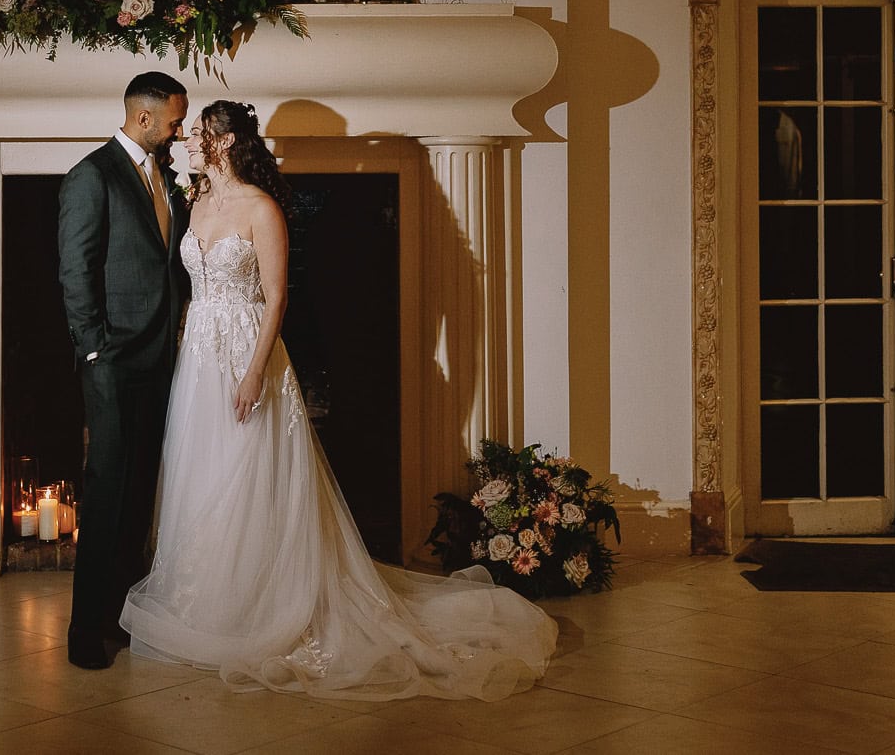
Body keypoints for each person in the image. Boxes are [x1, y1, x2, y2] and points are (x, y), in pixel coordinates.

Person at [122, 99, 559, 701]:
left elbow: (275, 299)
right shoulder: (195, 204)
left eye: (201, 132)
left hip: (249, 352)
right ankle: (208, 602)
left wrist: (252, 375)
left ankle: (264, 604)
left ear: (225, 142)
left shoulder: (262, 208)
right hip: (198, 354)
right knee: (205, 474)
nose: (191, 139)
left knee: (252, 474)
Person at [57, 70, 191, 670]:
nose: (180, 130)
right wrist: (93, 349)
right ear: (145, 119)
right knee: (107, 492)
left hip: (160, 360)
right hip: (111, 363)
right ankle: (84, 630)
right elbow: (75, 270)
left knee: (139, 496)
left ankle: (123, 615)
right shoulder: (92, 176)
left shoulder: (166, 177)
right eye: (174, 121)